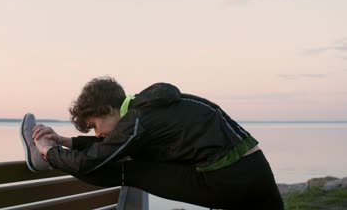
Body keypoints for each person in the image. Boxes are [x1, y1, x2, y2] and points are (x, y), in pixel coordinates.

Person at [20, 76, 284, 210]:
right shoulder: (147, 109)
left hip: (229, 180)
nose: (98, 134)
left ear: (109, 109)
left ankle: (42, 161)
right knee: (128, 158)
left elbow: (94, 161)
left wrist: (49, 151)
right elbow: (110, 146)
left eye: (95, 126)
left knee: (128, 169)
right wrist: (67, 141)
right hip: (253, 170)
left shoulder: (138, 121)